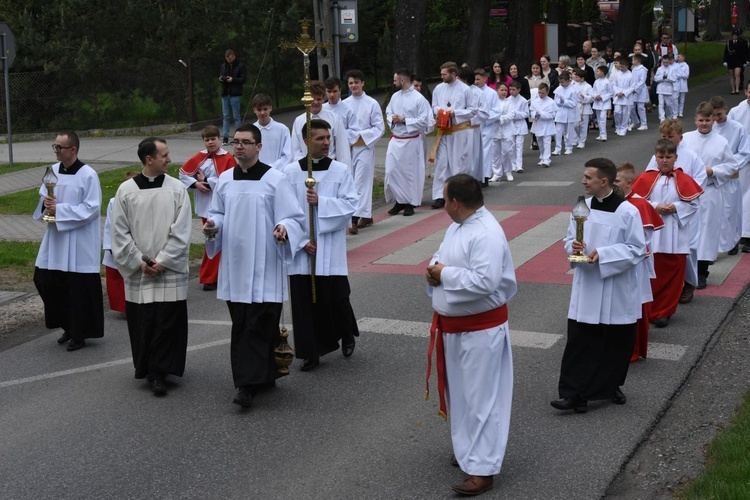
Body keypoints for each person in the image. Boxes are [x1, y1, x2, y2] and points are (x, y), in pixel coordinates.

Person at [425, 173, 517, 496]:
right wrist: (435, 269)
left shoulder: (486, 233)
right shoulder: (458, 226)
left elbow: (486, 281)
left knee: (482, 400)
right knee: (462, 396)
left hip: (481, 331)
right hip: (455, 329)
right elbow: (441, 256)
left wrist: (444, 274)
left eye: (444, 198)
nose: (443, 204)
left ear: (454, 202)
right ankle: (467, 450)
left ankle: (483, 469)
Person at [205, 123, 307, 408]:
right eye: (236, 142)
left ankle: (248, 385)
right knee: (242, 323)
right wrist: (214, 226)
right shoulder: (224, 180)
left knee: (260, 323)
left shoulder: (275, 180)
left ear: (259, 147)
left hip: (265, 264)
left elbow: (293, 217)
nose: (239, 146)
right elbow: (218, 215)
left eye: (246, 142)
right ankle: (260, 374)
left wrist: (283, 227)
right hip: (236, 266)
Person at [552, 158, 647, 413]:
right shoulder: (582, 207)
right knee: (580, 340)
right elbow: (570, 237)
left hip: (616, 284)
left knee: (615, 340)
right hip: (588, 284)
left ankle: (611, 385)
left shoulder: (628, 212)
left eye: (588, 177)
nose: (583, 181)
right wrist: (572, 247)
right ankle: (573, 394)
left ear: (603, 181)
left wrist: (604, 255)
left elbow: (637, 249)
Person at [111, 137, 192, 396]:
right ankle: (148, 368)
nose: (169, 159)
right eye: (164, 155)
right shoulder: (126, 190)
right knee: (144, 322)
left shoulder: (177, 189)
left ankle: (161, 371)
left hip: (167, 268)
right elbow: (119, 232)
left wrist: (164, 260)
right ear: (149, 159)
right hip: (141, 270)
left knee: (168, 321)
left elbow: (183, 230)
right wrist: (139, 261)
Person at [281, 119, 359, 371]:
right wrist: (301, 241)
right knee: (304, 301)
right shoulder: (291, 172)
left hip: (330, 245)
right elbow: (284, 211)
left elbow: (350, 204)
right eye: (320, 138)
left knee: (337, 297)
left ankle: (346, 333)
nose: (326, 143)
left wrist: (321, 202)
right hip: (301, 248)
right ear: (306, 141)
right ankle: (310, 351)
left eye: (328, 138)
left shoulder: (340, 170)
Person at [33, 130, 104, 352]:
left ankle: (80, 332)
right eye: (54, 146)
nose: (55, 151)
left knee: (77, 288)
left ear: (72, 149)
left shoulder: (88, 175)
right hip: (56, 237)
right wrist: (47, 205)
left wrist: (60, 210)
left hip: (78, 239)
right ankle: (67, 324)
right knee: (44, 279)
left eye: (59, 147)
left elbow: (92, 208)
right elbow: (44, 194)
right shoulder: (52, 170)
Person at [631, 139, 702, 327]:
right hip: (653, 234)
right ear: (655, 157)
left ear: (675, 158)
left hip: (675, 232)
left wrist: (676, 207)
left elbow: (694, 203)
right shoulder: (646, 177)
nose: (664, 161)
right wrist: (655, 206)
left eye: (668, 157)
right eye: (661, 157)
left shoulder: (684, 178)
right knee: (653, 274)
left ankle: (665, 311)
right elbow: (636, 200)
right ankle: (650, 309)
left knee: (673, 274)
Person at [644, 119, 707, 304]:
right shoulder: (655, 157)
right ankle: (663, 288)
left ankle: (689, 283)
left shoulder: (691, 157)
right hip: (660, 212)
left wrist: (678, 205)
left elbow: (698, 182)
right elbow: (648, 181)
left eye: (670, 137)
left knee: (688, 248)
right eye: (663, 137)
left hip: (684, 214)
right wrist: (656, 205)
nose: (667, 140)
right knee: (660, 251)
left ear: (680, 137)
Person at [682, 102, 738, 290]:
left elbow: (731, 166)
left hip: (710, 192)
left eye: (708, 120)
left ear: (714, 120)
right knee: (688, 232)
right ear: (695, 120)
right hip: (687, 193)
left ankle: (702, 272)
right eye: (701, 120)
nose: (704, 123)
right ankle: (685, 272)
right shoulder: (686, 139)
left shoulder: (721, 142)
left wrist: (712, 170)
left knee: (706, 233)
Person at [614, 163, 664, 361]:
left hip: (635, 266)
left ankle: (633, 349)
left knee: (635, 306)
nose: (613, 184)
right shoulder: (612, 202)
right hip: (615, 263)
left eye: (617, 180)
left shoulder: (640, 205)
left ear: (629, 183)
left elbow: (644, 241)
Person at [179, 125, 236, 291]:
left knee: (223, 239)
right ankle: (209, 277)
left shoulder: (227, 158)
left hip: (223, 205)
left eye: (213, 139)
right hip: (207, 206)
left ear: (219, 139)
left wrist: (209, 182)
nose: (210, 142)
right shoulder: (200, 157)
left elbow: (228, 180)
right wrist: (196, 183)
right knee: (211, 240)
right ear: (203, 141)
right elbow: (183, 174)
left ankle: (219, 276)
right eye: (207, 139)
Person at [385, 69, 434, 214]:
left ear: (402, 81)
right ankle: (399, 200)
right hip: (396, 140)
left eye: (395, 80)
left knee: (410, 173)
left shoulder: (419, 99)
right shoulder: (394, 97)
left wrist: (404, 120)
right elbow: (388, 112)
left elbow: (424, 120)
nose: (393, 83)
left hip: (411, 140)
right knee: (392, 171)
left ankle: (410, 204)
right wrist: (393, 119)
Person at [429, 61, 477, 209]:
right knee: (441, 163)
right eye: (441, 74)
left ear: (454, 74)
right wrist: (441, 112)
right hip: (443, 131)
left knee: (457, 163)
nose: (442, 76)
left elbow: (473, 110)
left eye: (444, 74)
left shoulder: (465, 90)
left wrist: (455, 113)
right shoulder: (438, 88)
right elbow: (434, 106)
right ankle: (439, 195)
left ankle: (458, 194)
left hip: (458, 130)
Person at [344, 69, 385, 231]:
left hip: (364, 147)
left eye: (356, 82)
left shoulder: (371, 103)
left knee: (361, 182)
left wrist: (359, 137)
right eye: (350, 83)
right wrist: (349, 139)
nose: (354, 85)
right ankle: (366, 215)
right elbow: (342, 127)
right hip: (348, 149)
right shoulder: (345, 104)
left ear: (362, 83)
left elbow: (379, 127)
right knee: (350, 181)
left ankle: (353, 219)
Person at [711, 96, 750, 256]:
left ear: (725, 110)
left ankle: (733, 241)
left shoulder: (737, 128)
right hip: (714, 174)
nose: (717, 118)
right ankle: (717, 244)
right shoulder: (710, 128)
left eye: (719, 114)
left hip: (732, 173)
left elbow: (745, 152)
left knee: (731, 210)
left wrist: (731, 166)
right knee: (716, 211)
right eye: (714, 115)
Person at [291, 80, 352, 170]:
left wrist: (345, 171)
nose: (315, 102)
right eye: (312, 99)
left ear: (323, 99)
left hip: (329, 167)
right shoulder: (299, 121)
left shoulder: (334, 118)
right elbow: (295, 150)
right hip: (306, 168)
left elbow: (342, 149)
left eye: (319, 99)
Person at [102, 171, 139, 315]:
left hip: (138, 244)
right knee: (119, 278)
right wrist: (111, 246)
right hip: (119, 243)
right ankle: (124, 307)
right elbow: (110, 225)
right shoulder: (114, 201)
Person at [727, 82, 750, 253]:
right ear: (745, 91)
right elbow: (729, 134)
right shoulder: (736, 111)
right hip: (742, 158)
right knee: (740, 195)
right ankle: (740, 233)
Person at [474, 68, 502, 183]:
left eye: (478, 79)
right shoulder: (472, 92)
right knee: (475, 153)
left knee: (485, 152)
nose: (476, 81)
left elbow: (496, 111)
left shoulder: (491, 93)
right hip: (474, 127)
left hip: (486, 127)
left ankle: (485, 176)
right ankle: (475, 176)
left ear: (485, 79)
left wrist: (484, 119)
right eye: (474, 79)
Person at [252, 93, 292, 170]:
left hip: (278, 173)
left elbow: (288, 155)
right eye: (259, 110)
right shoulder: (251, 130)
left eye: (265, 109)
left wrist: (272, 168)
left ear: (270, 108)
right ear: (254, 110)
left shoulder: (282, 129)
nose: (262, 113)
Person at [219, 49, 246, 145]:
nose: (228, 61)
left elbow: (243, 79)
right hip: (225, 93)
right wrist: (222, 79)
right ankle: (225, 138)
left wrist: (233, 79)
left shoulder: (240, 65)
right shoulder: (224, 65)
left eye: (230, 58)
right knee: (225, 116)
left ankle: (237, 137)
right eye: (227, 59)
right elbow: (221, 76)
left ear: (233, 56)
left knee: (236, 116)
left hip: (235, 93)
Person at [529, 83, 558, 168]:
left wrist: (541, 114)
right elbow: (532, 112)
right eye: (539, 92)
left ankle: (547, 159)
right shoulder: (535, 101)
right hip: (538, 125)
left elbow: (552, 115)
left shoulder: (551, 102)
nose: (541, 94)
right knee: (540, 143)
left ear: (547, 92)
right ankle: (542, 157)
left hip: (547, 125)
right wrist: (535, 115)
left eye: (543, 93)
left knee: (547, 142)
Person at [490, 83, 515, 181]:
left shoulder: (509, 102)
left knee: (507, 152)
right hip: (495, 130)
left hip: (506, 130)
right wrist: (494, 118)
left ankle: (508, 171)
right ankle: (496, 173)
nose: (504, 92)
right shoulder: (493, 102)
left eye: (506, 90)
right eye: (502, 90)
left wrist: (501, 118)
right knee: (495, 153)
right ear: (496, 90)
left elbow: (511, 114)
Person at [553, 71, 577, 155]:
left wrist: (565, 101)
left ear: (567, 81)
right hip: (560, 112)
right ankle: (557, 148)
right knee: (558, 131)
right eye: (560, 82)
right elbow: (555, 101)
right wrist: (560, 102)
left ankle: (569, 147)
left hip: (569, 113)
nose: (561, 84)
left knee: (568, 132)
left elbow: (574, 103)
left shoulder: (573, 90)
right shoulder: (559, 89)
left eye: (563, 82)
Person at [612, 56, 634, 136]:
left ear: (627, 66)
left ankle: (623, 128)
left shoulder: (630, 75)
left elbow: (632, 87)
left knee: (625, 113)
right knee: (617, 112)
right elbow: (614, 84)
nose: (621, 68)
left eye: (623, 67)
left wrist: (624, 93)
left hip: (626, 96)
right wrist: (617, 92)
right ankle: (618, 126)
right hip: (618, 95)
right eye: (620, 66)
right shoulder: (617, 74)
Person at [724, 29, 749, 95]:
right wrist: (725, 61)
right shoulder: (729, 43)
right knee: (732, 76)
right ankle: (733, 89)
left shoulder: (742, 42)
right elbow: (726, 52)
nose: (734, 36)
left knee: (737, 74)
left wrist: (746, 60)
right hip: (730, 61)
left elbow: (746, 52)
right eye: (733, 35)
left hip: (739, 61)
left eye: (736, 35)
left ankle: (737, 89)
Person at [593, 65, 614, 142]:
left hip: (604, 102)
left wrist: (602, 97)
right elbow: (593, 91)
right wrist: (595, 96)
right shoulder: (596, 81)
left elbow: (611, 93)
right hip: (597, 101)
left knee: (602, 118)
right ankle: (600, 134)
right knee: (598, 118)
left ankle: (604, 134)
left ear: (602, 73)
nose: (597, 72)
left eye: (598, 71)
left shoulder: (607, 82)